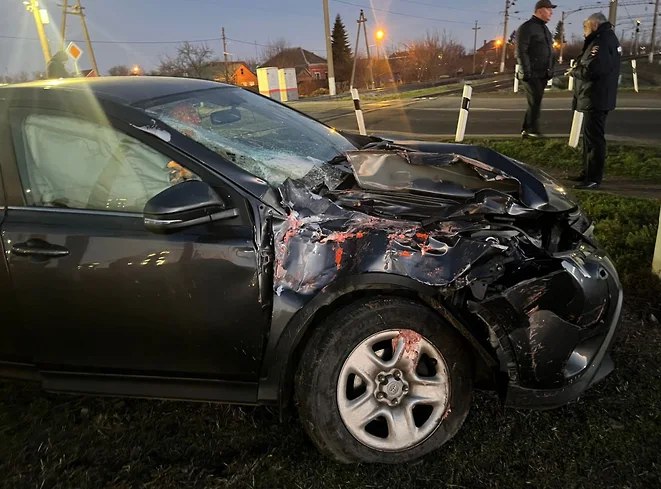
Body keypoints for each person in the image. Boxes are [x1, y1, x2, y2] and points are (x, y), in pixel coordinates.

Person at [568, 13, 622, 190]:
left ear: (594, 25)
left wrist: (574, 72)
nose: (584, 32)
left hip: (596, 97)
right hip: (595, 96)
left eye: (585, 27)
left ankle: (593, 178)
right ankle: (587, 173)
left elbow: (593, 69)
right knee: (589, 139)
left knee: (594, 140)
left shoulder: (601, 42)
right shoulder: (604, 38)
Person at [515, 0, 556, 138]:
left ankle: (527, 129)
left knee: (535, 101)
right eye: (549, 9)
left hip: (542, 73)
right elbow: (521, 51)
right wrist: (526, 71)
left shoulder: (544, 29)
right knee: (535, 100)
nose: (551, 12)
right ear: (539, 10)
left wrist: (550, 69)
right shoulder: (527, 28)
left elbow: (549, 51)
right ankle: (532, 130)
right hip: (531, 73)